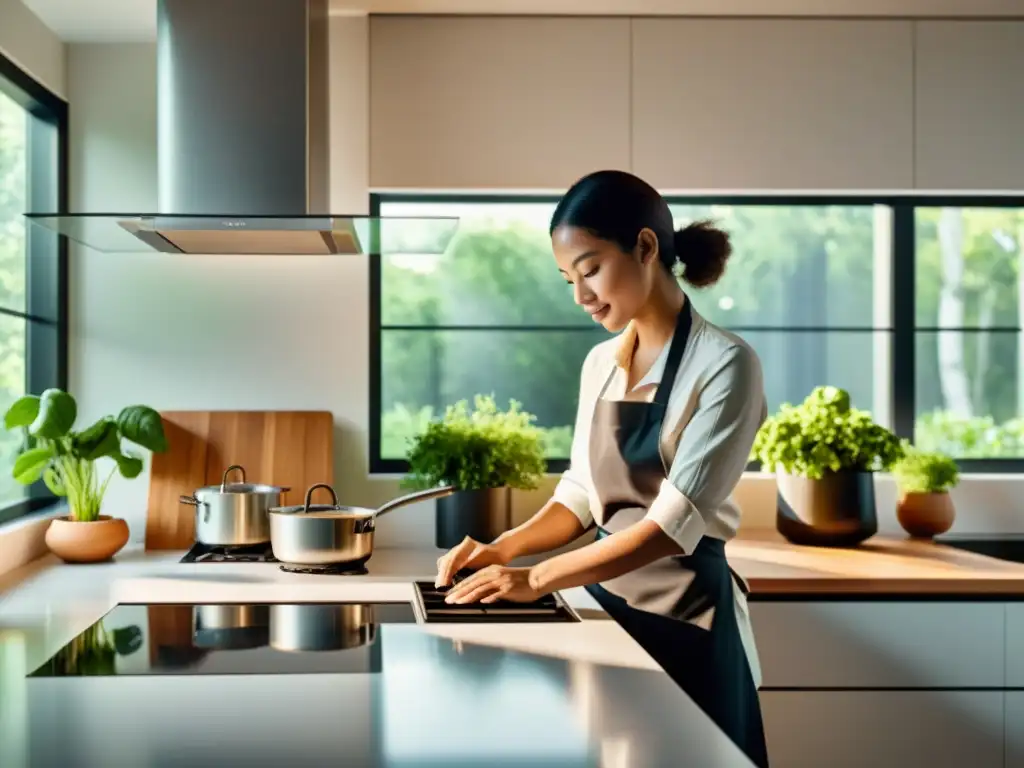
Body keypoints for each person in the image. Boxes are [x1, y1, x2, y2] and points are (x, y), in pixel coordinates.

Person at [435, 169, 769, 767]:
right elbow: (583, 492)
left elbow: (671, 527)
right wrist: (504, 548)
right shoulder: (601, 363)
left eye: (589, 270)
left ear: (644, 247)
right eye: (569, 278)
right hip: (602, 611)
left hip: (688, 622)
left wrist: (537, 579)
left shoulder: (726, 366)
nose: (580, 296)